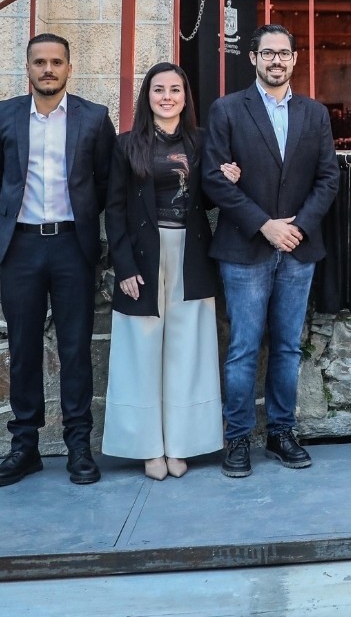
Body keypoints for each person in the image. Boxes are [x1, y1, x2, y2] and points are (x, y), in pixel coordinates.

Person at [201, 24, 340, 477]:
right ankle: (238, 439)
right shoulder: (226, 110)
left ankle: (282, 433)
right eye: (268, 54)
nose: (276, 61)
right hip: (245, 249)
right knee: (242, 347)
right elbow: (214, 179)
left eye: (284, 53)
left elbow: (328, 178)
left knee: (286, 347)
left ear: (295, 59)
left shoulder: (315, 114)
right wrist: (265, 226)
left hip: (298, 248)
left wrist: (296, 227)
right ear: (253, 59)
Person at [0, 33, 116, 486]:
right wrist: (21, 219)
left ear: (69, 68)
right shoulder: (3, 115)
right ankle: (25, 446)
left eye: (56, 61)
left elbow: (104, 181)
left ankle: (78, 445)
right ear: (28, 68)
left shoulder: (94, 118)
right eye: (39, 62)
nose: (48, 69)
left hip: (71, 248)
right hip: (21, 246)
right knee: (24, 349)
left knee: (75, 348)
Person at [102, 62, 240, 480]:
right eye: (158, 89)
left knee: (189, 351)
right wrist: (122, 265)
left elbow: (212, 199)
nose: (167, 96)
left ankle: (182, 444)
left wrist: (229, 179)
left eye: (175, 90)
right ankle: (148, 448)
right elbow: (115, 208)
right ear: (147, 96)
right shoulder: (127, 145)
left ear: (185, 97)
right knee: (140, 352)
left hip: (190, 255)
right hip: (142, 258)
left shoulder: (202, 143)